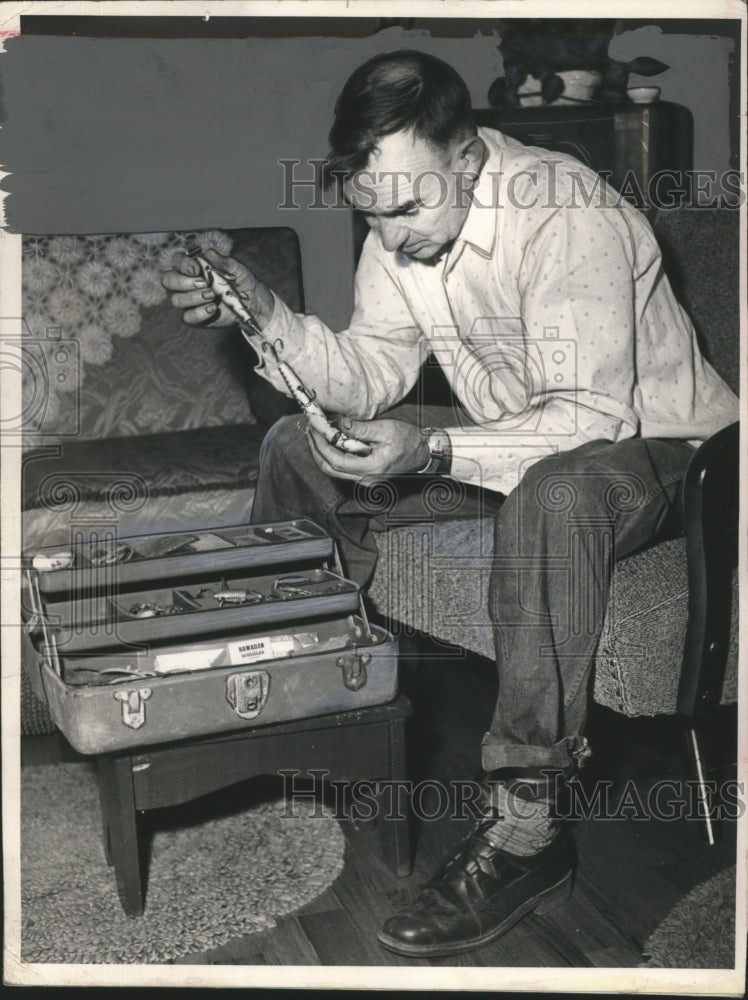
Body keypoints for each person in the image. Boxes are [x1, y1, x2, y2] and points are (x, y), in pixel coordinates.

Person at [163, 50, 738, 958]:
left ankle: (526, 830)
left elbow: (589, 420)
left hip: (665, 450)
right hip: (519, 431)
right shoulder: (405, 219)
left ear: (469, 161)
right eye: (372, 213)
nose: (388, 236)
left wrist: (430, 446)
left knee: (553, 496)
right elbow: (367, 373)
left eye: (407, 208)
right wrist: (267, 313)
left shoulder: (564, 209)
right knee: (294, 450)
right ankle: (298, 703)